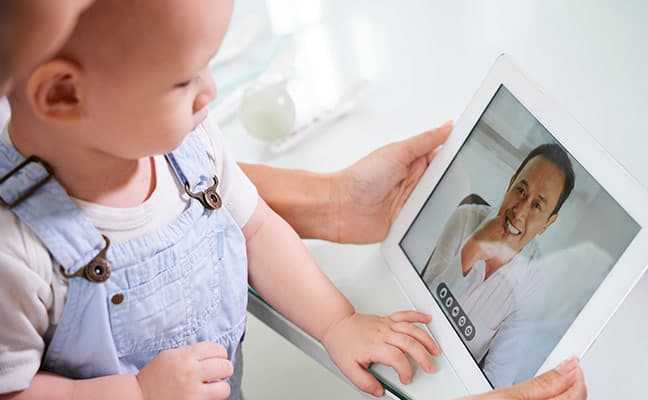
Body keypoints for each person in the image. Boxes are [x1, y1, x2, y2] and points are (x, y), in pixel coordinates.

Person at [0, 1, 587, 400]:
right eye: (184, 80)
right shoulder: (15, 251)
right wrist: (134, 393)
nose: (212, 90)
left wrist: (338, 322)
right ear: (62, 94)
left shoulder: (188, 144)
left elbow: (256, 230)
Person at [423, 143, 576, 387]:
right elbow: (421, 304)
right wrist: (472, 249)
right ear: (511, 183)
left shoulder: (533, 285)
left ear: (548, 223)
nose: (520, 211)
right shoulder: (466, 218)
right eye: (521, 191)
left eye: (537, 205)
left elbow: (498, 377)